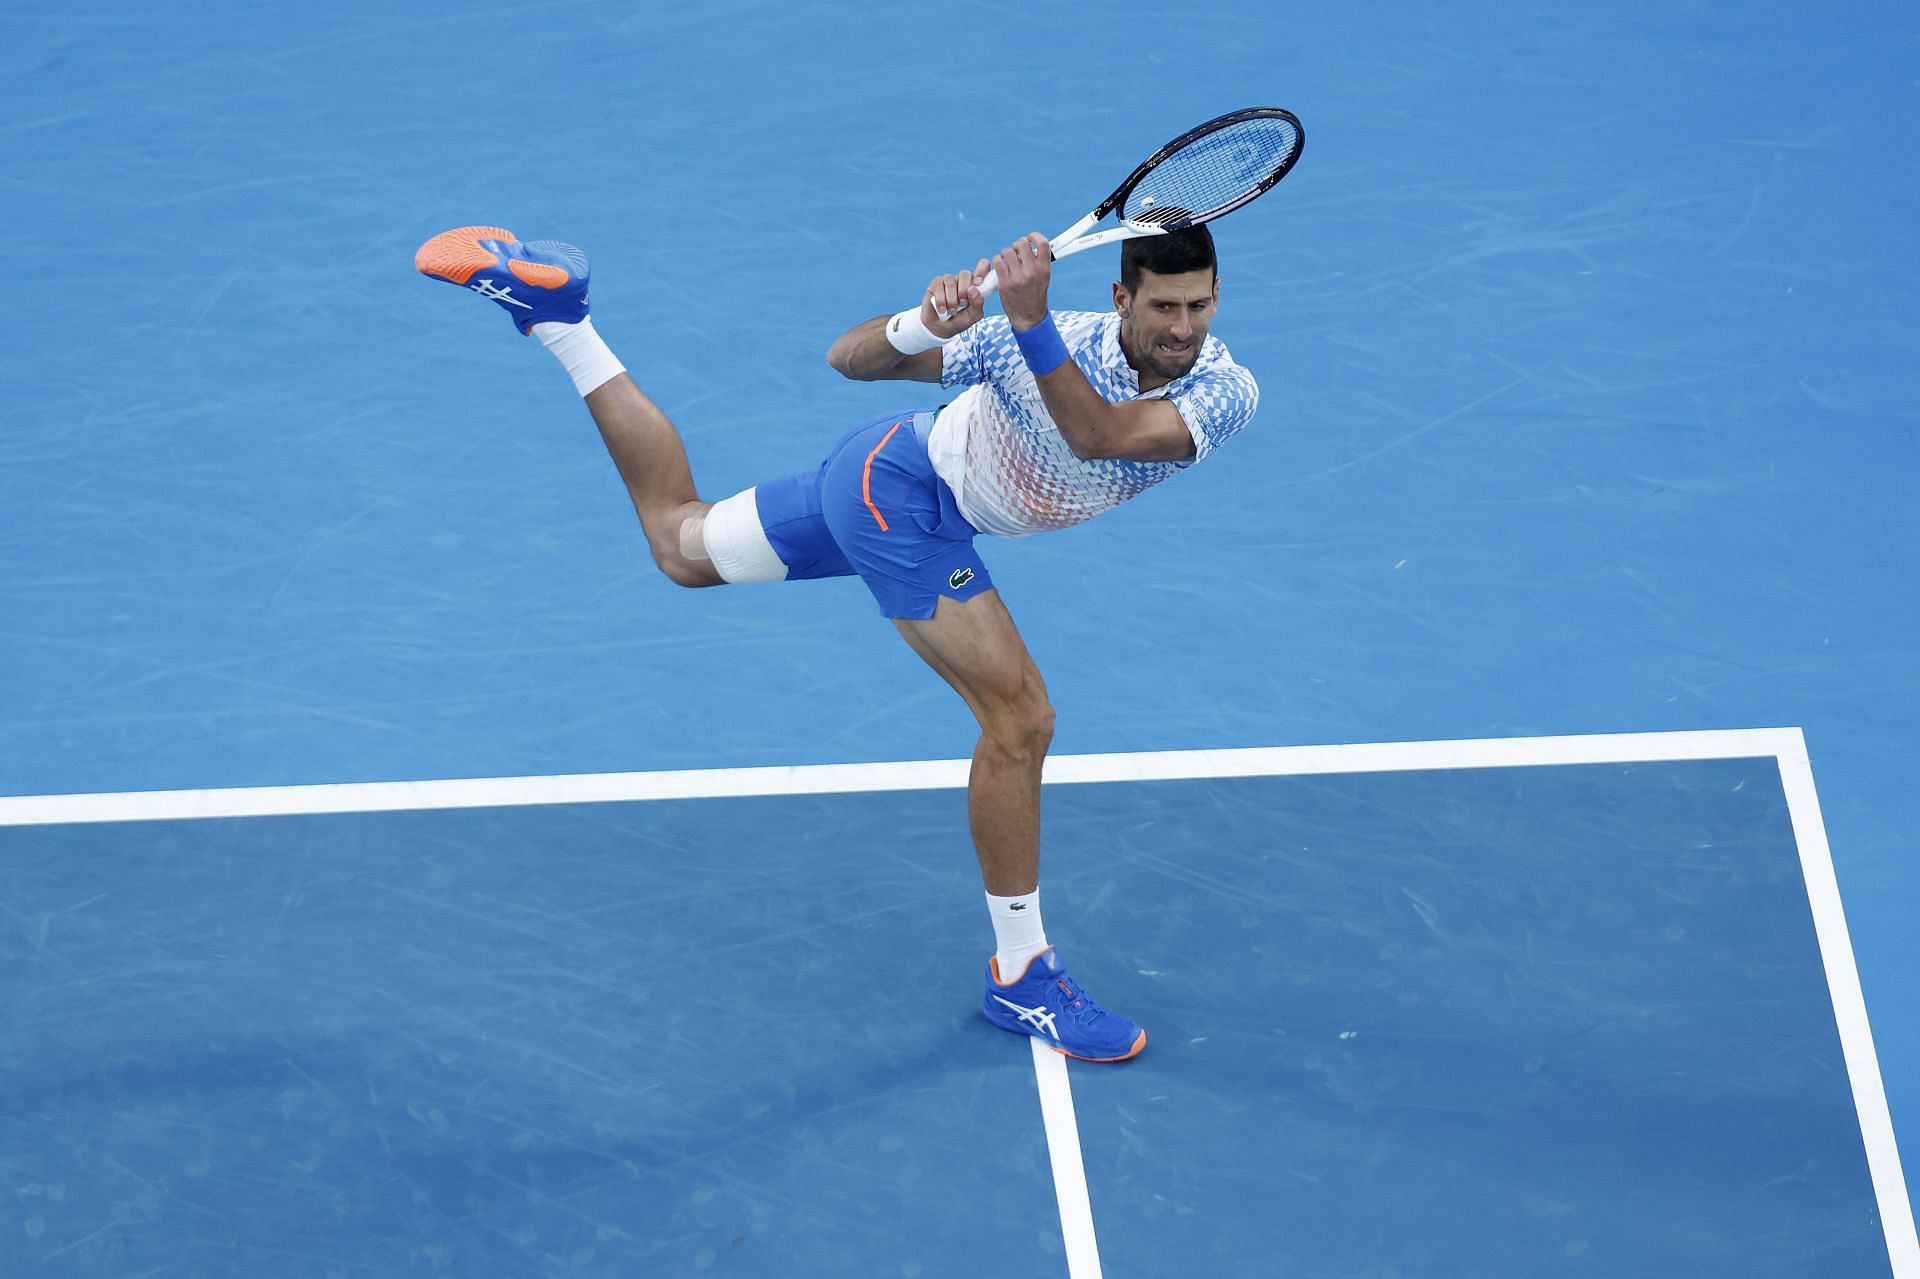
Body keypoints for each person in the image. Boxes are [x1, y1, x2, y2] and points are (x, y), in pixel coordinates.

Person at [415, 221, 1258, 1062]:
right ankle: (1023, 973)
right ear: (1121, 298)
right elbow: (850, 359)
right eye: (1164, 307)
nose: (1183, 328)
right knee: (1021, 719)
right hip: (900, 496)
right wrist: (925, 323)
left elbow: (1103, 438)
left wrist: (1027, 323)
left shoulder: (1223, 390)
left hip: (887, 481)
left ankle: (563, 322)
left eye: (1198, 305)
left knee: (681, 545)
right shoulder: (1034, 336)